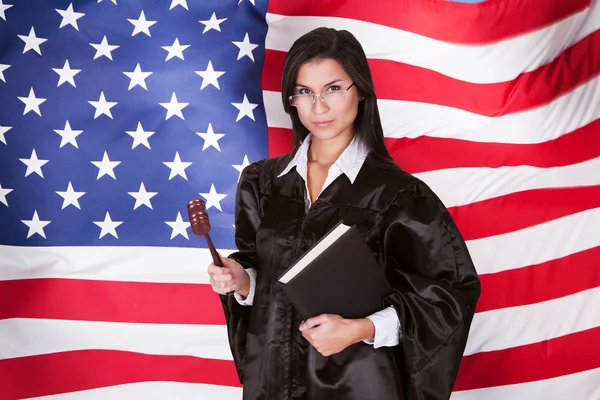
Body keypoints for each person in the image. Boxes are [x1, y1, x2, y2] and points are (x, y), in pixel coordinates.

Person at [207, 27, 481, 400]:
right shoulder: (263, 183)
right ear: (292, 99)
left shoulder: (398, 194)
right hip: (271, 383)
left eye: (333, 88)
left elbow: (448, 298)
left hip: (359, 385)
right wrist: (243, 281)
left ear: (361, 90)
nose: (318, 107)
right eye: (305, 92)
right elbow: (263, 277)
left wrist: (362, 328)